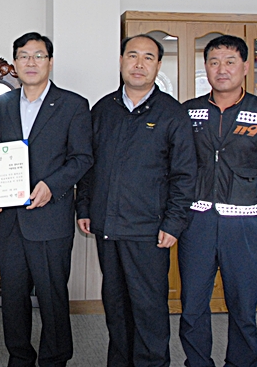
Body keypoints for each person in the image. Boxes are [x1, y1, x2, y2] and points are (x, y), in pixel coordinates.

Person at [76, 34, 197, 367]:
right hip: (107, 227)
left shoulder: (172, 113)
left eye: (148, 57)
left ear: (158, 65)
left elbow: (185, 175)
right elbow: (89, 164)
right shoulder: (103, 109)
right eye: (132, 56)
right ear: (121, 61)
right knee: (115, 307)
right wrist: (84, 206)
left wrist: (174, 222)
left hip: (149, 230)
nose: (139, 64)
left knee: (148, 310)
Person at [0, 32, 93, 367]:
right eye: (24, 56)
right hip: (10, 219)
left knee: (52, 295)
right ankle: (19, 357)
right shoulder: (0, 105)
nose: (31, 62)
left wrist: (51, 186)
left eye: (38, 55)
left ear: (50, 62)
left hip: (51, 218)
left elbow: (82, 158)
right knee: (13, 297)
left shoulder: (73, 105)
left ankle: (55, 359)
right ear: (15, 63)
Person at [179, 35, 257, 367]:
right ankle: (197, 362)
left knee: (242, 306)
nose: (222, 69)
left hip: (243, 224)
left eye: (230, 62)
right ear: (206, 68)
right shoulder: (189, 112)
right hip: (196, 222)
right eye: (214, 62)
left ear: (245, 67)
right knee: (193, 305)